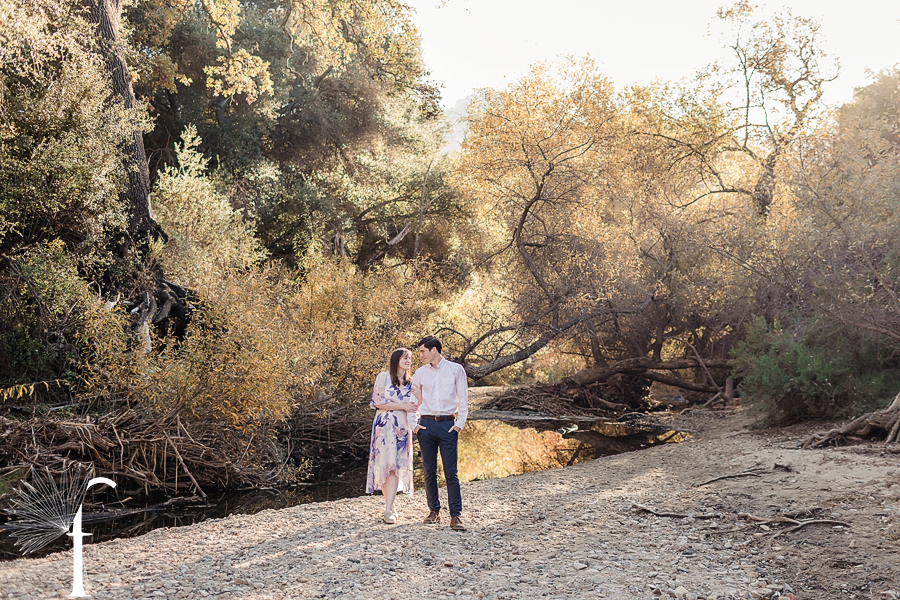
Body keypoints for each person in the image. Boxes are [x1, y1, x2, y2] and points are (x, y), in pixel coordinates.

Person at [410, 335, 469, 531]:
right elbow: (413, 401)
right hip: (426, 425)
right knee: (429, 472)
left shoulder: (455, 370)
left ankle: (455, 515)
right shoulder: (419, 373)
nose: (420, 356)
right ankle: (434, 511)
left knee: (451, 473)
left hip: (447, 425)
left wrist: (459, 424)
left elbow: (463, 398)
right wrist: (414, 425)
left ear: (434, 350)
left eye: (422, 351)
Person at [366, 348, 418, 524]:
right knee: (383, 464)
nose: (408, 361)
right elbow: (378, 403)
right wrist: (403, 405)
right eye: (405, 358)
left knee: (396, 465)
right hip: (384, 426)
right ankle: (391, 504)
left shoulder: (412, 383)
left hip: (402, 428)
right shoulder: (383, 377)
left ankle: (389, 508)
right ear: (396, 360)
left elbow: (415, 406)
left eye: (410, 358)